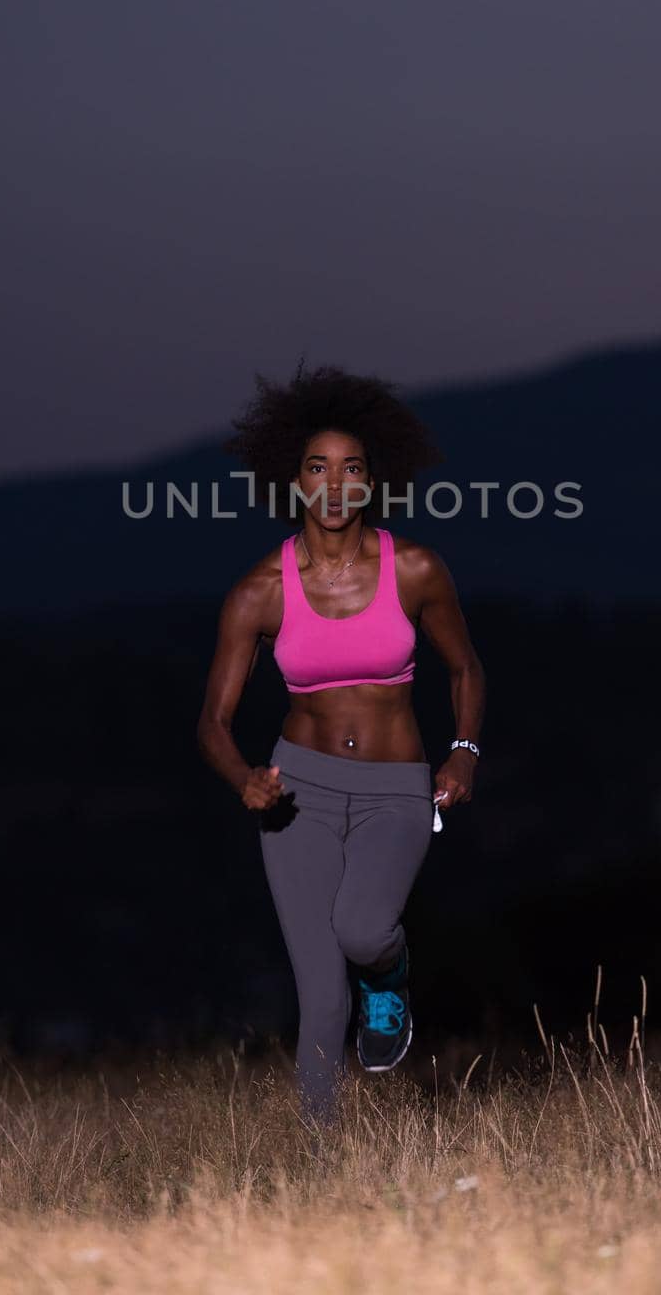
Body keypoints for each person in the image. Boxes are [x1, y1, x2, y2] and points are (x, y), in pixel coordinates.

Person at [196, 361, 486, 1127]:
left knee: (363, 930)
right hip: (298, 794)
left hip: (397, 786)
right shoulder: (259, 591)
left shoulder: (415, 570)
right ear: (294, 482)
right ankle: (321, 1167)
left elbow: (465, 667)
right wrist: (244, 780)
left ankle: (389, 981)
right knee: (320, 995)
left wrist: (465, 750)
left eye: (350, 469)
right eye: (317, 469)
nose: (333, 484)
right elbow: (213, 724)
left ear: (369, 482)